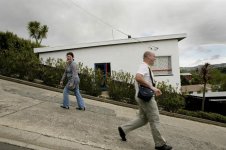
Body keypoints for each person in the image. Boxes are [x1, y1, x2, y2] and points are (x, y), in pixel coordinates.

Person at [118, 51, 172, 150]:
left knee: (143, 119)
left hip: (142, 97)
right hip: (146, 98)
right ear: (147, 57)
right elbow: (138, 77)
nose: (155, 58)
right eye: (153, 56)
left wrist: (152, 89)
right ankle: (160, 144)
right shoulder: (144, 66)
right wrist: (152, 88)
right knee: (155, 119)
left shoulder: (146, 68)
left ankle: (123, 129)